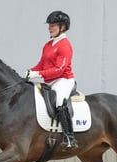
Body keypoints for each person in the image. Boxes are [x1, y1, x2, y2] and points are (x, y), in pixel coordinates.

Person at [26, 10, 78, 151]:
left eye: (53, 25)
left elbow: (59, 69)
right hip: (49, 80)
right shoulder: (48, 45)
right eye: (49, 25)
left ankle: (69, 137)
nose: (49, 28)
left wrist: (39, 73)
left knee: (60, 101)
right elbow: (41, 64)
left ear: (63, 27)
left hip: (63, 80)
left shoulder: (65, 45)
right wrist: (31, 72)